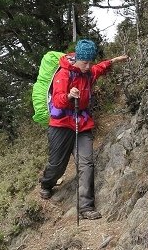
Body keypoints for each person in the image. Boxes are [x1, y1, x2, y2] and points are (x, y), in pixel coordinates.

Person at [39, 39, 128, 220]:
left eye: (90, 62)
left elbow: (99, 68)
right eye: (84, 62)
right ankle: (46, 183)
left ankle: (86, 207)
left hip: (82, 123)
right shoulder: (63, 75)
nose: (88, 66)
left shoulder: (88, 73)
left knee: (86, 163)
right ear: (77, 58)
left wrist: (113, 61)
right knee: (57, 164)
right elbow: (57, 101)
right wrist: (69, 96)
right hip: (61, 125)